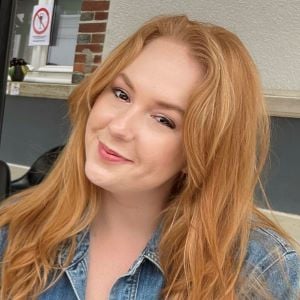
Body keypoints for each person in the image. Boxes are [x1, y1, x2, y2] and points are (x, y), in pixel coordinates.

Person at [0, 15, 299, 300]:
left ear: (203, 152)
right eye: (121, 94)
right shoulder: (15, 232)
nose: (119, 127)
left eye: (163, 120)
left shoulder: (259, 270)